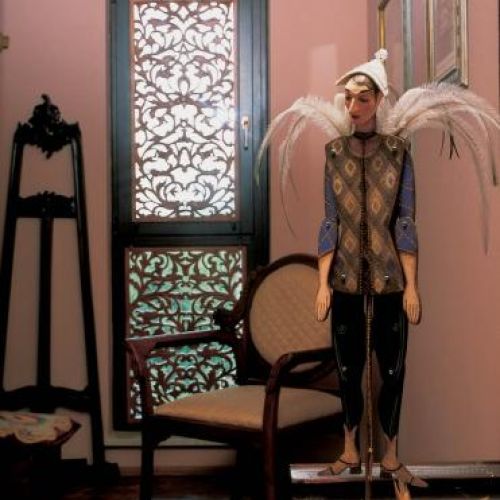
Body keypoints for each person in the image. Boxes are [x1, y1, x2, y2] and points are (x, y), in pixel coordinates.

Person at [314, 52, 427, 489]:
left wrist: (412, 285)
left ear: (378, 100)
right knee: (347, 368)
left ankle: (391, 455)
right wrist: (322, 283)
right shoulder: (334, 153)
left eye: (363, 98)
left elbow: (405, 221)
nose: (353, 106)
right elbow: (330, 220)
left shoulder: (399, 153)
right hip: (343, 278)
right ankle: (349, 449)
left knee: (393, 369)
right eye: (348, 98)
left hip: (390, 279)